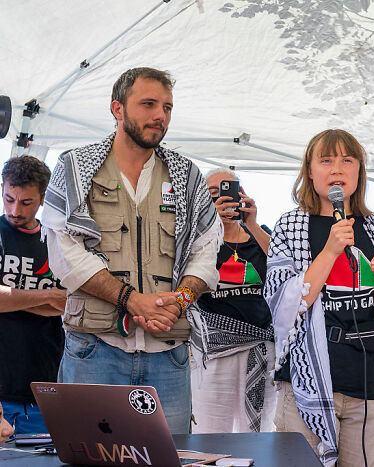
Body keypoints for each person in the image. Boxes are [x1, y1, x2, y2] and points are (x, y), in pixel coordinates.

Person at [42, 67, 220, 434]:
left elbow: (205, 246)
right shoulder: (74, 167)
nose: (160, 116)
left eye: (167, 107)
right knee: (88, 456)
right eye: (149, 104)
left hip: (167, 355)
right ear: (117, 108)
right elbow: (64, 251)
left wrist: (181, 300)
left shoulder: (187, 175)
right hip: (94, 349)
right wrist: (131, 299)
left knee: (170, 459)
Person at [265, 129, 374, 467]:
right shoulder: (289, 227)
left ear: (359, 171)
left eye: (348, 160)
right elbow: (286, 309)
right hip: (308, 385)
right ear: (310, 170)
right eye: (326, 160)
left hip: (371, 384)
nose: (337, 169)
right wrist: (330, 250)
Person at [190, 168, 275, 433]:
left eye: (229, 191)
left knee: (259, 432)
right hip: (215, 354)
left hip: (261, 351)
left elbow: (284, 266)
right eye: (214, 194)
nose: (223, 199)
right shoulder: (198, 240)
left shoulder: (260, 235)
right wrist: (210, 225)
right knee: (211, 433)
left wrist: (252, 223)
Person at [0, 155, 66, 434]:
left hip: (46, 387)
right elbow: (55, 298)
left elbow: (67, 303)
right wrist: (47, 295)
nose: (15, 210)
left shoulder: (57, 241)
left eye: (26, 202)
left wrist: (11, 296)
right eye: (8, 198)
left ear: (42, 199)